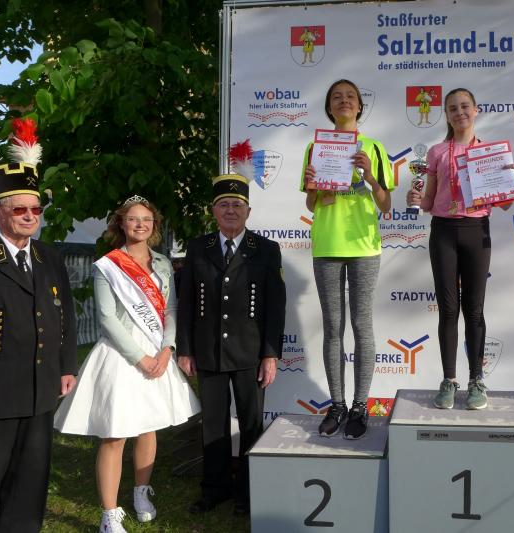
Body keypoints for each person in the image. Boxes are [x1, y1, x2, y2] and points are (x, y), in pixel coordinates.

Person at [54, 196, 201, 532]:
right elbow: (107, 318)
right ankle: (109, 513)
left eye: (147, 220)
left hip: (157, 349)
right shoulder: (108, 265)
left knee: (149, 426)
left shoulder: (162, 263)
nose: (140, 225)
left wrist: (167, 349)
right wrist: (141, 358)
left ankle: (141, 491)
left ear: (154, 225)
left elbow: (171, 309)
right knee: (116, 433)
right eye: (133, 219)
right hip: (122, 355)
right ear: (121, 223)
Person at [0, 119, 78, 532]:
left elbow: (64, 314)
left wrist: (67, 366)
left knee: (28, 492)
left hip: (39, 394)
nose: (30, 216)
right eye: (20, 209)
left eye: (36, 209)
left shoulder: (49, 257)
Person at [177, 164, 286, 515]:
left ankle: (248, 493)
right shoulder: (199, 248)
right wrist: (185, 349)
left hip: (250, 353)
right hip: (208, 351)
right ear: (213, 211)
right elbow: (186, 302)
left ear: (248, 211)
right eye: (223, 204)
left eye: (237, 205)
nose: (230, 210)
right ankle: (214, 488)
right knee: (212, 424)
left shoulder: (265, 249)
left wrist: (270, 355)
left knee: (252, 424)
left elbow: (275, 307)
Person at [407, 88, 514, 411]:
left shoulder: (490, 154)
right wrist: (416, 199)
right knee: (448, 309)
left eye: (465, 106)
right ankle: (449, 380)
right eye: (453, 108)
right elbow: (429, 201)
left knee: (474, 309)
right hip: (443, 232)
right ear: (446, 115)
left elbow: (504, 204)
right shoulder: (436, 152)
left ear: (476, 110)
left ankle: (476, 380)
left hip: (476, 230)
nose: (460, 113)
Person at [301, 79, 394, 439]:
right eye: (337, 97)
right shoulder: (315, 147)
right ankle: (337, 405)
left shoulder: (374, 147)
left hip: (364, 245)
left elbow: (386, 204)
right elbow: (311, 204)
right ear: (329, 108)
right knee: (333, 327)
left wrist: (370, 176)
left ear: (359, 106)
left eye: (350, 97)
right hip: (327, 243)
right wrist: (314, 186)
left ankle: (360, 405)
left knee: (361, 324)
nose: (344, 101)